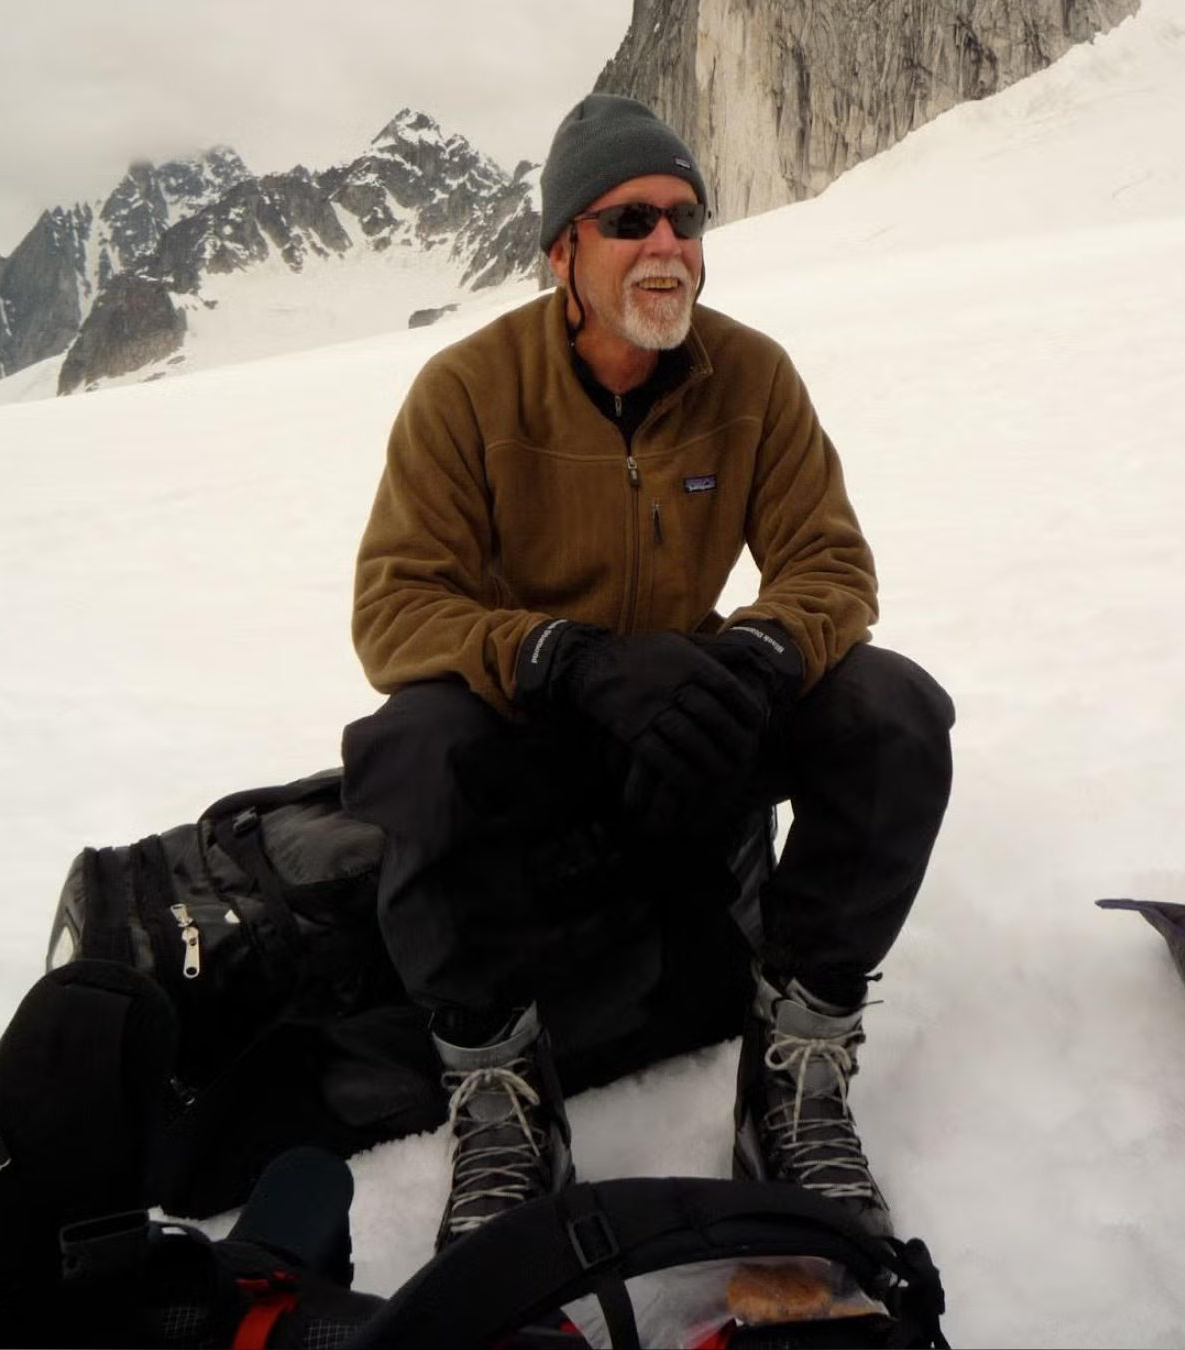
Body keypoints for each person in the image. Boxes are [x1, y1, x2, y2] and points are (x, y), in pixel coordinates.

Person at [341, 94, 955, 1252]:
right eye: (631, 219)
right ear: (563, 249)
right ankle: (503, 1100)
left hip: (696, 715)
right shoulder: (466, 393)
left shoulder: (752, 378)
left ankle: (796, 1072)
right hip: (541, 725)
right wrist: (556, 656)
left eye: (687, 217)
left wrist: (754, 661)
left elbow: (829, 565)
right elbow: (397, 605)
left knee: (892, 710)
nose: (667, 243)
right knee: (410, 747)